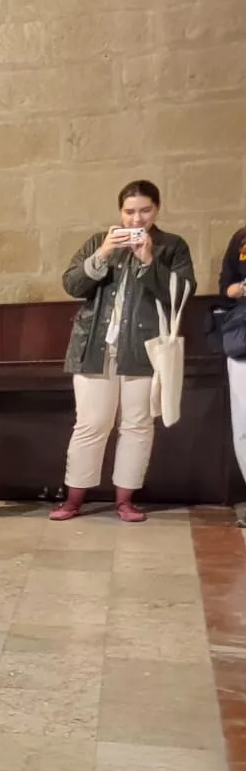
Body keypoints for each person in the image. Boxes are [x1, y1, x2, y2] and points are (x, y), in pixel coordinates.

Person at [49, 180, 197, 523]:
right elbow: (72, 284)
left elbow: (183, 293)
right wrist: (101, 253)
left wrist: (148, 261)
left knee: (137, 426)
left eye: (145, 210)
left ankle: (125, 501)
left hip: (144, 349)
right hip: (94, 346)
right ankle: (73, 500)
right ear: (120, 212)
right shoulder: (101, 242)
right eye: (129, 211)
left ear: (157, 209)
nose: (136, 219)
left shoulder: (171, 246)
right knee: (90, 424)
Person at [219, 223, 246, 522]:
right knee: (243, 424)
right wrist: (239, 289)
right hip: (243, 339)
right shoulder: (241, 238)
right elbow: (224, 289)